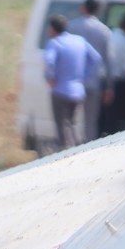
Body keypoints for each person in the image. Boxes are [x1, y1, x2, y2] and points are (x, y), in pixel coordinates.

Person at [44, 14, 102, 150]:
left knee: (62, 125)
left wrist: (50, 78)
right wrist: (85, 75)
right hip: (78, 90)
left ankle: (65, 150)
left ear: (52, 29)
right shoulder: (79, 40)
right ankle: (75, 147)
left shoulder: (54, 43)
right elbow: (96, 58)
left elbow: (49, 61)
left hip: (60, 90)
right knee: (71, 123)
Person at [66, 0, 114, 141]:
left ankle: (70, 149)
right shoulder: (104, 31)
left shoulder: (71, 27)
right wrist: (109, 87)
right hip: (95, 81)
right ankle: (88, 150)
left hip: (73, 80)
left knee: (70, 119)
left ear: (83, 8)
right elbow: (109, 60)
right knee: (91, 120)